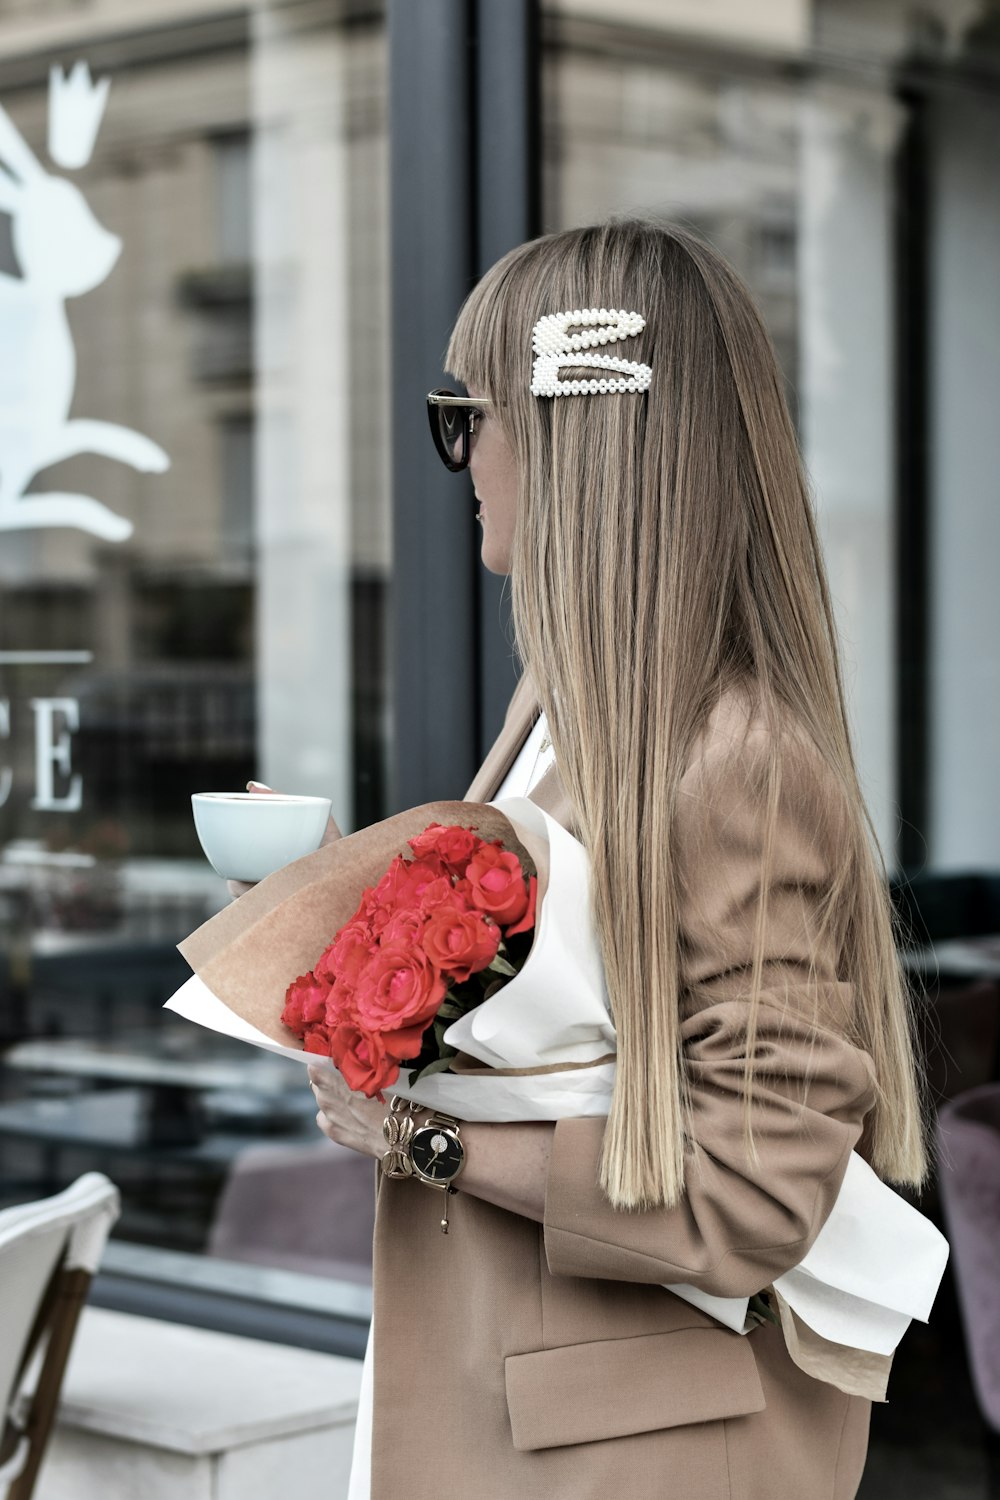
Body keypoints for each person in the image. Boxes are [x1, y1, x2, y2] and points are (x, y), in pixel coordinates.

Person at [300, 216, 927, 1499]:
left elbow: (756, 1194)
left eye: (468, 414)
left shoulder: (727, 756)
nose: (463, 455)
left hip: (634, 1456)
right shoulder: (560, 712)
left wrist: (426, 1142)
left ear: (576, 440)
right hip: (514, 1402)